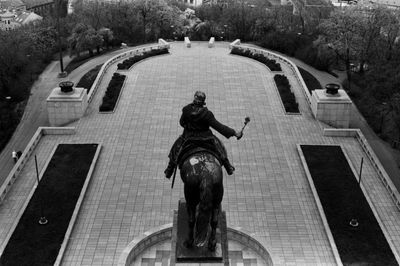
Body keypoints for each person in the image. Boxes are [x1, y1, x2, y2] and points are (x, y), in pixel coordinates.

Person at [165, 91, 242, 179]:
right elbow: (219, 127)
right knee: (219, 147)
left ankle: (169, 170)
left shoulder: (186, 110)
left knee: (176, 148)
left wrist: (189, 127)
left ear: (194, 98)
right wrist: (234, 133)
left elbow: (182, 123)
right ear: (203, 101)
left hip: (188, 137)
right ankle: (228, 166)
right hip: (206, 138)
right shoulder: (207, 114)